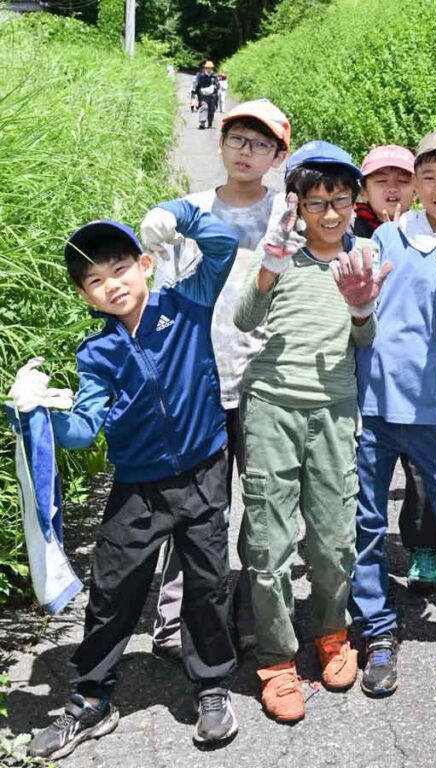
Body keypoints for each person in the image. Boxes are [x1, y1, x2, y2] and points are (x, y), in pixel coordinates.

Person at [12, 203, 241, 759]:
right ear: (85, 295)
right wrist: (36, 414)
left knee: (207, 584)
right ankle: (91, 699)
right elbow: (81, 429)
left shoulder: (186, 302)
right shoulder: (97, 352)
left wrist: (178, 213)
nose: (111, 285)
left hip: (203, 471)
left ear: (144, 264)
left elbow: (224, 246)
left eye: (119, 269)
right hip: (137, 486)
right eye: (95, 281)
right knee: (113, 590)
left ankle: (211, 686)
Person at [232, 140, 389, 723]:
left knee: (334, 539)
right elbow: (245, 319)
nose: (329, 214)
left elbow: (365, 340)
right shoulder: (279, 252)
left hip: (335, 409)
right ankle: (276, 660)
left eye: (340, 201)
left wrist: (361, 308)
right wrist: (270, 264)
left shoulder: (364, 254)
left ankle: (331, 631)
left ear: (353, 203)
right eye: (316, 202)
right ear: (296, 204)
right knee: (268, 542)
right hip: (271, 406)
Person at [146, 98, 291, 660]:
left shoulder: (287, 216)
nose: (246, 151)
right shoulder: (187, 212)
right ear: (222, 143)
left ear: (278, 155)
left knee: (264, 505)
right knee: (195, 508)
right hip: (198, 383)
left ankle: (252, 610)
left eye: (260, 144)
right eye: (237, 139)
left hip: (266, 383)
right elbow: (162, 295)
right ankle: (176, 617)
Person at [351, 129, 436, 698]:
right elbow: (364, 315)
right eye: (428, 177)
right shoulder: (385, 237)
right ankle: (376, 632)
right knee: (364, 526)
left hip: (433, 410)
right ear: (415, 184)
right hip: (373, 406)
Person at [353, 144, 436, 593]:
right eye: (380, 181)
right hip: (373, 387)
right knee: (366, 500)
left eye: (401, 180)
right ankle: (367, 595)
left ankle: (423, 545)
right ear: (364, 190)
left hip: (426, 386)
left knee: (423, 479)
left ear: (414, 187)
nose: (392, 189)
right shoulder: (357, 233)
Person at [192, 60, 220, 130]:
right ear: (205, 68)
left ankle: (210, 123)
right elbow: (197, 84)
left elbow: (218, 85)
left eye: (210, 68)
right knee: (204, 107)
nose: (209, 69)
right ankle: (202, 123)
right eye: (207, 68)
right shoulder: (201, 75)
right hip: (203, 95)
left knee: (211, 109)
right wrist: (194, 93)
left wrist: (215, 85)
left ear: (212, 68)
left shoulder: (214, 76)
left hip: (213, 95)